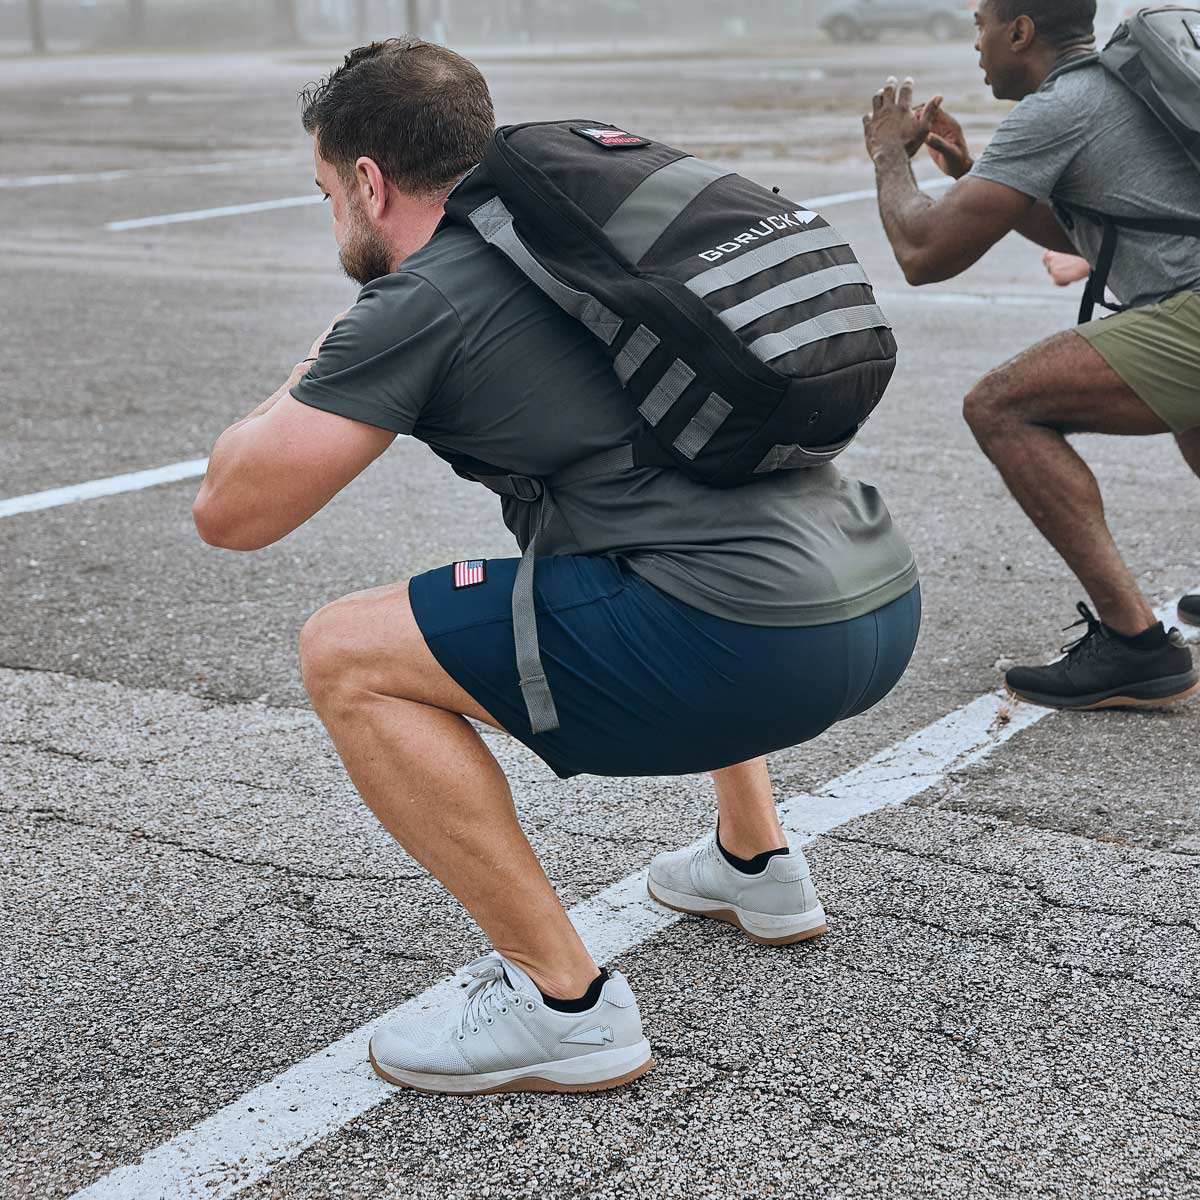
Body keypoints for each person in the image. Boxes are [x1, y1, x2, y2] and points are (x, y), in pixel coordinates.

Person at [192, 38, 920, 1096]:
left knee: (345, 652)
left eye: (324, 192)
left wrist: (317, 362)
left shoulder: (423, 298)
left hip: (750, 649)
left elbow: (232, 511)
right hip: (876, 604)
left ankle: (562, 1005)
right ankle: (757, 865)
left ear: (366, 180)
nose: (332, 218)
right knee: (625, 533)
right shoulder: (580, 245)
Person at [862, 0, 1200, 710]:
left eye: (981, 24)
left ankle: (1134, 647)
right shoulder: (1126, 85)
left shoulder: (1061, 106)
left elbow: (924, 253)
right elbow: (1107, 235)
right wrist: (969, 174)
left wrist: (890, 154)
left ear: (1020, 31)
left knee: (1002, 405)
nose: (976, 43)